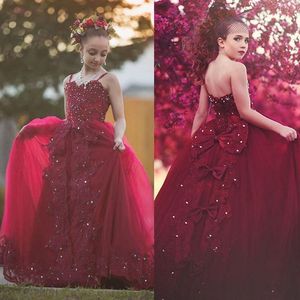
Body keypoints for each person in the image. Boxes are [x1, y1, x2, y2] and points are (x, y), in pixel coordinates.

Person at [155, 2, 300, 299]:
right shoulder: (237, 68)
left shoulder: (208, 69)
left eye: (247, 40)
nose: (244, 45)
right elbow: (245, 112)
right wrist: (279, 128)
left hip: (210, 138)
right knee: (235, 206)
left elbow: (200, 115)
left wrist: (195, 148)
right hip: (235, 138)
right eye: (238, 39)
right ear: (221, 41)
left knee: (202, 209)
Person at [0, 14, 153, 289]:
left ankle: (101, 269)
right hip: (69, 150)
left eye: (103, 53)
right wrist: (33, 130)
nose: (98, 58)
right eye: (93, 52)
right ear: (80, 48)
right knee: (64, 206)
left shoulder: (110, 80)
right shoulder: (68, 80)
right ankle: (66, 266)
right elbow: (67, 120)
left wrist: (119, 138)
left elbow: (120, 118)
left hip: (99, 150)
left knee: (94, 210)